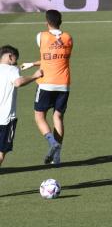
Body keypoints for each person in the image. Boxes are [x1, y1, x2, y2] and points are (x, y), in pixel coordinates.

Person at [21, 9, 72, 165]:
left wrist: (32, 64)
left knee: (39, 116)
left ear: (46, 22)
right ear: (60, 21)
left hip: (45, 83)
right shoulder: (68, 38)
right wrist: (32, 63)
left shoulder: (41, 36)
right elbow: (54, 57)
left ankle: (52, 142)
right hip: (63, 84)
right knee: (58, 117)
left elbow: (47, 57)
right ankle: (57, 156)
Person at [0, 45, 42, 167]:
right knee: (1, 152)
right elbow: (18, 82)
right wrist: (35, 76)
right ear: (10, 56)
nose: (16, 63)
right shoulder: (11, 69)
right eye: (15, 59)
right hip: (5, 119)